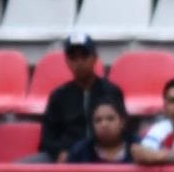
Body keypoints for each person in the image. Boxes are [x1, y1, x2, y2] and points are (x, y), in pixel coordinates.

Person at [28, 33, 125, 163]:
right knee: (19, 171)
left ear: (95, 58)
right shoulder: (59, 95)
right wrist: (59, 152)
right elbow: (48, 137)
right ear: (67, 61)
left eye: (84, 56)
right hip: (66, 155)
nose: (79, 62)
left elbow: (123, 128)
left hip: (103, 153)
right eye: (73, 58)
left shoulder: (112, 91)